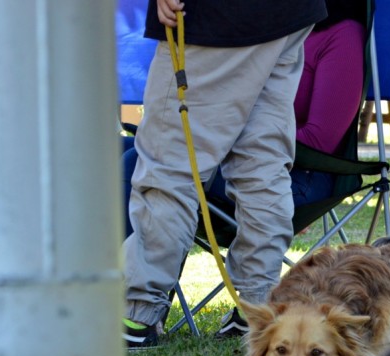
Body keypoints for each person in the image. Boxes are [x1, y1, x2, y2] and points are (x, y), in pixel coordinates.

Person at [122, 0, 328, 349]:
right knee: (260, 165)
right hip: (289, 13)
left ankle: (136, 315)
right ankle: (257, 310)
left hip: (215, 17)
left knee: (170, 164)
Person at [121, 1, 366, 236]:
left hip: (297, 174)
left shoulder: (342, 35)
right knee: (115, 150)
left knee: (140, 162)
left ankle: (133, 276)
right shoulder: (252, 27)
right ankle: (116, 269)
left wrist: (225, 134)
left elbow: (320, 140)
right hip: (231, 153)